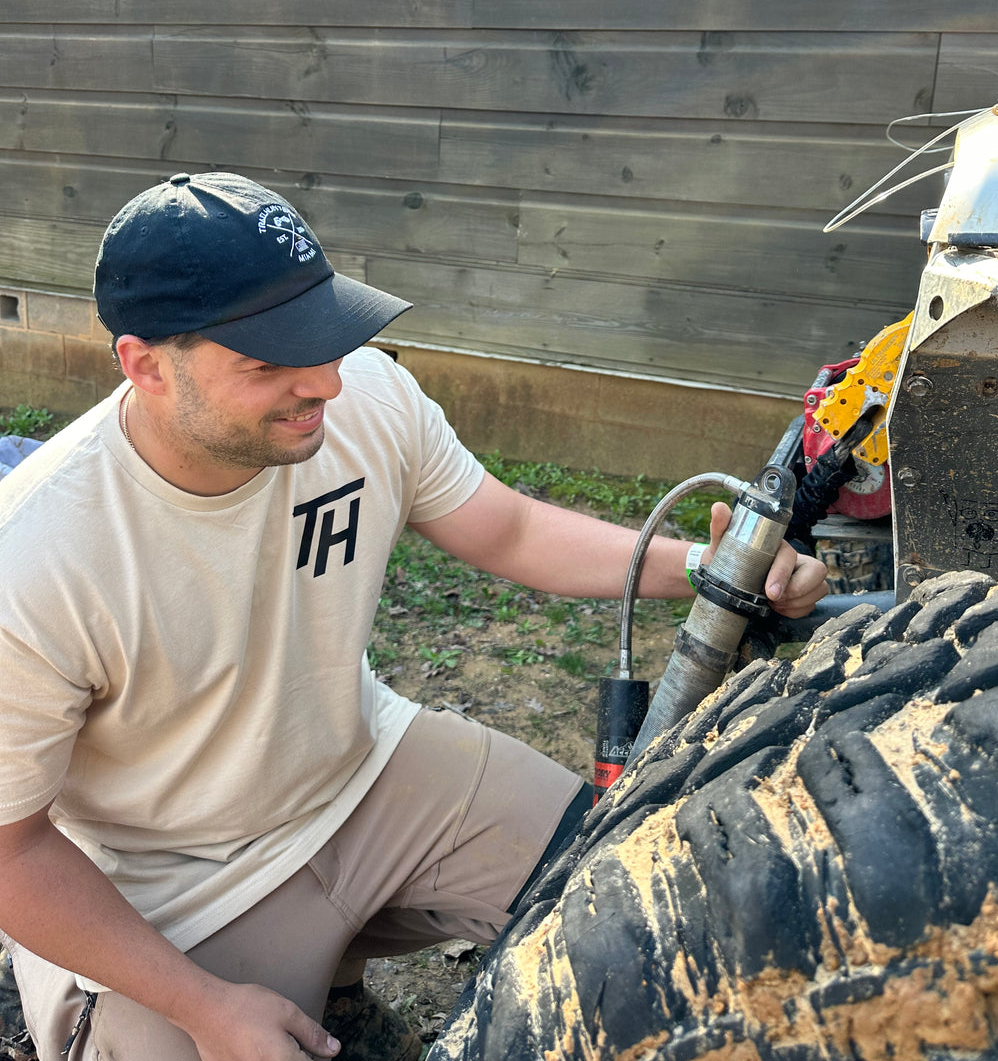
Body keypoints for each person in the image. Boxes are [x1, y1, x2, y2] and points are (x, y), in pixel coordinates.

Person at [0, 173, 826, 1061]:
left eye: (324, 336)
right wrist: (203, 1007)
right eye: (267, 360)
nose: (323, 381)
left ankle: (336, 980)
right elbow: (10, 850)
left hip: (366, 774)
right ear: (146, 365)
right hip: (173, 886)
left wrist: (706, 569)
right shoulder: (37, 554)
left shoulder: (365, 397)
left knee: (648, 893)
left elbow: (506, 526)